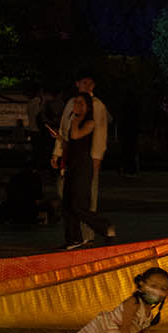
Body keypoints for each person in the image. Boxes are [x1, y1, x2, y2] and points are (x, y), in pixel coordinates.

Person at [55, 74, 111, 240]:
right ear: (77, 83)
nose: (87, 86)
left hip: (85, 158)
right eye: (84, 82)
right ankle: (75, 235)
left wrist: (97, 157)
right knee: (67, 195)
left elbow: (101, 133)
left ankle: (89, 234)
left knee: (85, 198)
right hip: (70, 157)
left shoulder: (96, 105)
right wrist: (57, 152)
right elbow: (63, 130)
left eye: (90, 83)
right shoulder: (71, 104)